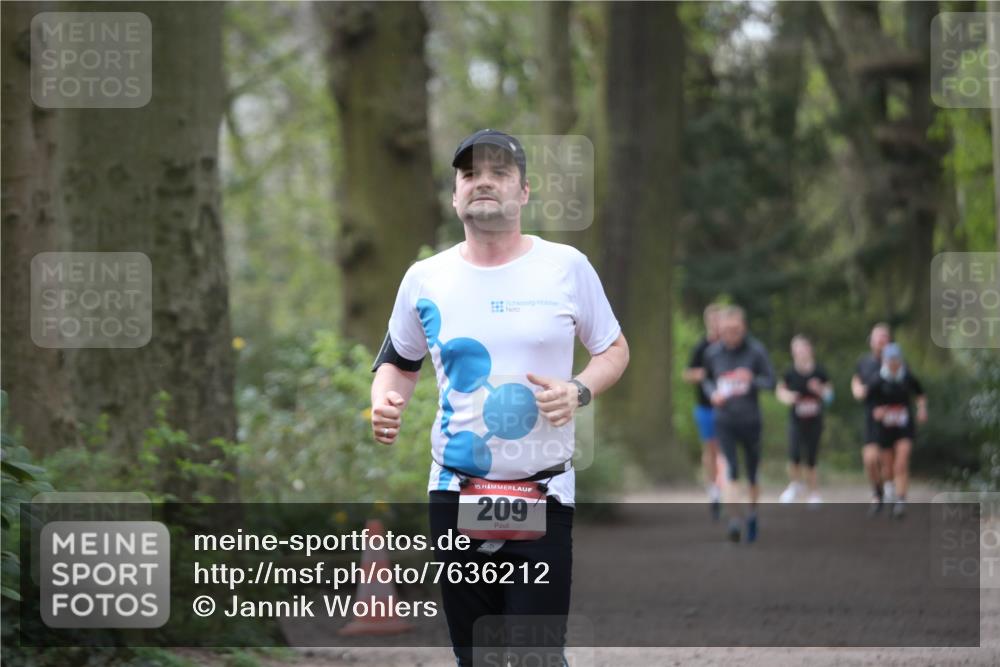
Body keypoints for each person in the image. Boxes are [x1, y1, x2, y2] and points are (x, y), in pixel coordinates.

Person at [369, 129, 629, 666]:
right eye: (469, 175)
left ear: (525, 192)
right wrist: (385, 401)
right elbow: (398, 362)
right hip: (455, 491)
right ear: (455, 195)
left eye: (499, 173)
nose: (483, 182)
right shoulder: (425, 279)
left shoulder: (566, 266)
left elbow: (614, 349)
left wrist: (579, 389)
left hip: (545, 490)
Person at [702, 306, 775, 543]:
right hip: (725, 420)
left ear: (743, 328)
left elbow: (771, 381)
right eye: (725, 330)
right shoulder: (713, 353)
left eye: (735, 330)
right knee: (730, 468)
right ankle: (734, 520)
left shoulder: (756, 351)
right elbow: (707, 380)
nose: (730, 334)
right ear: (720, 329)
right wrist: (713, 393)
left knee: (752, 474)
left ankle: (752, 515)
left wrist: (752, 379)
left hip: (750, 420)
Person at [865, 343, 927, 518]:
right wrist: (877, 412)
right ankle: (890, 490)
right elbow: (869, 406)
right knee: (888, 467)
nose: (893, 363)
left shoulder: (907, 376)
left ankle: (901, 499)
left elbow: (920, 393)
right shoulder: (876, 380)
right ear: (885, 360)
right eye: (890, 359)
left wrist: (922, 409)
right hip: (884, 429)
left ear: (900, 360)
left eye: (896, 359)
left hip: (903, 427)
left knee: (902, 461)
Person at [776, 335, 833, 505]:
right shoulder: (790, 372)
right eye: (796, 350)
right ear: (793, 352)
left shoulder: (819, 372)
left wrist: (820, 390)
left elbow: (830, 396)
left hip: (815, 421)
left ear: (810, 350)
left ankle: (814, 493)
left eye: (803, 349)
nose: (800, 353)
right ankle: (794, 485)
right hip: (796, 421)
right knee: (794, 455)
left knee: (811, 458)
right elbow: (780, 391)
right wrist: (788, 397)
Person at [684, 303, 724, 519]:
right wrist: (699, 374)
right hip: (705, 405)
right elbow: (687, 373)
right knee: (710, 448)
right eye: (713, 320)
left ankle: (725, 485)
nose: (717, 324)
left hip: (728, 407)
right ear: (707, 322)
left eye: (720, 320)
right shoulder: (701, 347)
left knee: (724, 448)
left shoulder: (730, 347)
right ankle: (714, 487)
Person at [851, 323, 892, 515]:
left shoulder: (896, 360)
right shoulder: (864, 362)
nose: (880, 340)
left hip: (893, 418)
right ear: (871, 341)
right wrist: (857, 389)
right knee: (869, 459)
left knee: (887, 461)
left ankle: (891, 491)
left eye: (884, 336)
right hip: (871, 417)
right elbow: (857, 380)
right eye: (877, 337)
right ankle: (877, 493)